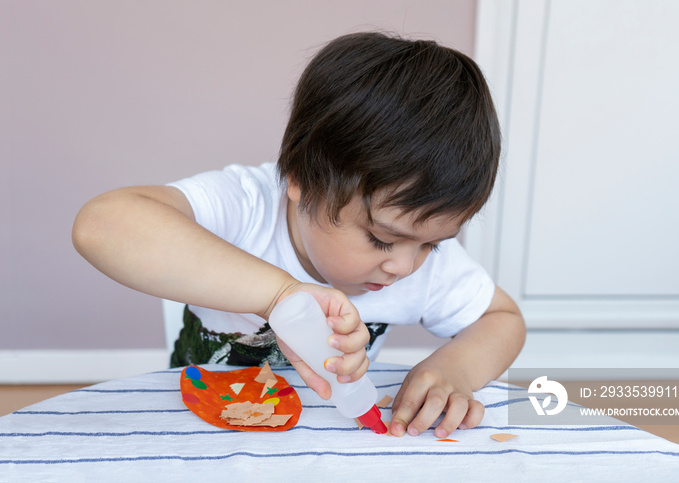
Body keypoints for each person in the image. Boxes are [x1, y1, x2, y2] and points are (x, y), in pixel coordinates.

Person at [72, 31, 526, 438]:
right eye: (381, 240)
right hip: (199, 426)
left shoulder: (419, 264)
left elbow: (503, 320)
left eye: (431, 244)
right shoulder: (246, 208)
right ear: (300, 181)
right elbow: (101, 225)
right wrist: (279, 296)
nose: (404, 267)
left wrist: (456, 369)